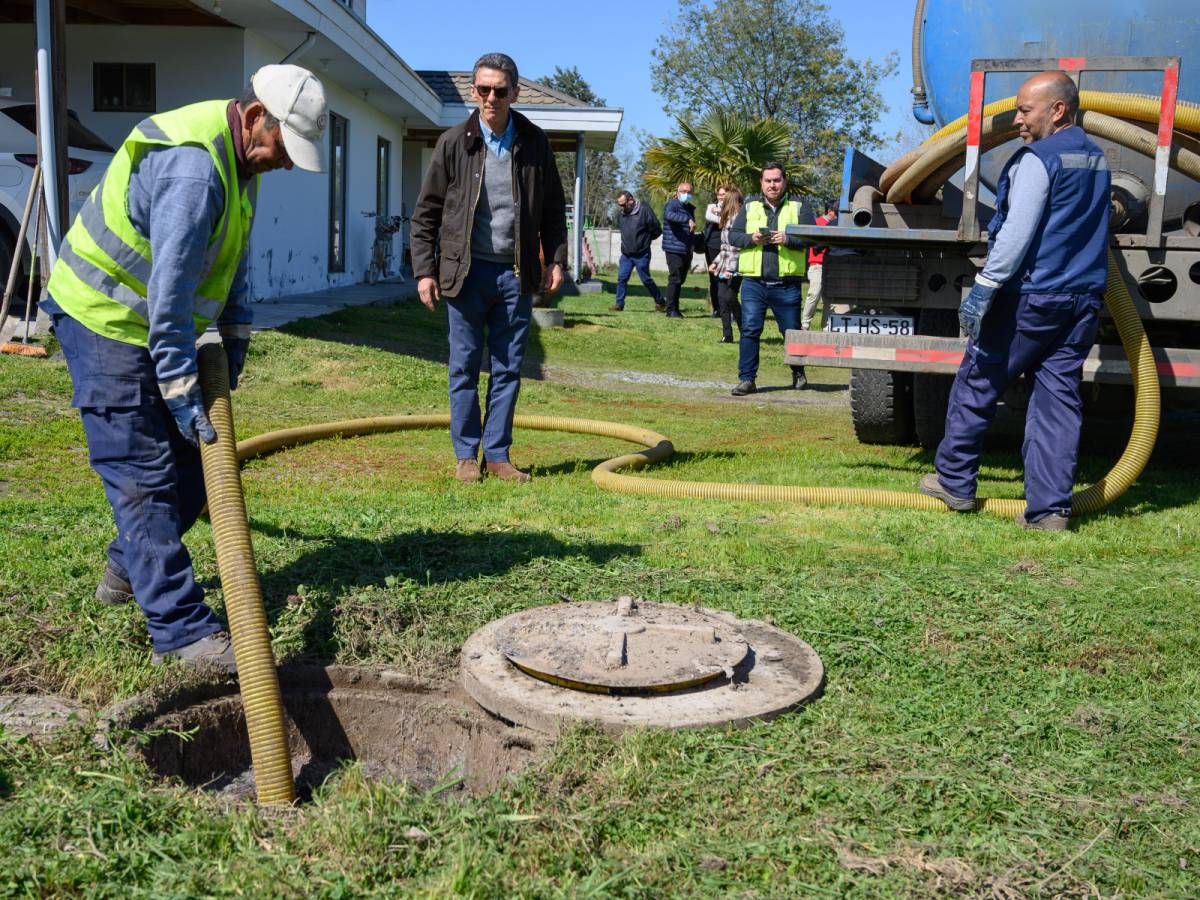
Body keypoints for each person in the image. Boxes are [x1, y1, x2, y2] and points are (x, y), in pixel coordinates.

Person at [42, 65, 328, 673]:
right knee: (141, 470)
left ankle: (128, 566)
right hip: (101, 316)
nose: (284, 164)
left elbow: (234, 254)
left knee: (198, 461)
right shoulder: (195, 170)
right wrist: (178, 387)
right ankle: (182, 632)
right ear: (256, 118)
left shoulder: (240, 160)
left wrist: (237, 335)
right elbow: (169, 297)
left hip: (150, 322)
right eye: (284, 148)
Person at [920, 71, 1111, 532]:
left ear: (1058, 110)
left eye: (1026, 110)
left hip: (1031, 297)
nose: (1018, 120)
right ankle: (1050, 511)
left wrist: (986, 285)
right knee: (1058, 402)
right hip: (1081, 300)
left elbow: (1017, 232)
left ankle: (955, 483)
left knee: (977, 383)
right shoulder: (1097, 159)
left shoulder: (1037, 160)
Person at [411, 52, 567, 485]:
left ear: (515, 92)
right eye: (483, 89)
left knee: (508, 367)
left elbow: (554, 211)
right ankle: (466, 455)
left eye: (500, 90)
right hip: (465, 273)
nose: (491, 97)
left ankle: (497, 455)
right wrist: (425, 271)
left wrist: (556, 259)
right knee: (463, 366)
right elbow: (426, 214)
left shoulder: (535, 144)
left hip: (516, 275)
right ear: (473, 91)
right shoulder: (453, 142)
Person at [727, 163, 816, 395]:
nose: (772, 185)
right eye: (768, 181)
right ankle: (747, 380)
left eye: (776, 180)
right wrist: (752, 238)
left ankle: (798, 373)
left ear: (784, 182)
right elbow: (733, 236)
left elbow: (811, 238)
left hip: (787, 284)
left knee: (791, 332)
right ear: (762, 183)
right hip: (754, 283)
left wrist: (788, 239)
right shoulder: (749, 205)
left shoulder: (800, 206)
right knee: (749, 330)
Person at [612, 190, 665, 312]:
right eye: (620, 205)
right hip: (626, 254)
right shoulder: (621, 214)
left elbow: (657, 229)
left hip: (642, 254)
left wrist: (645, 241)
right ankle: (619, 304)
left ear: (631, 200)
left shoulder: (644, 210)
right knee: (622, 278)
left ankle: (660, 301)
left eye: (623, 204)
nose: (622, 207)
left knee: (646, 279)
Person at [708, 187, 744, 344]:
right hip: (724, 263)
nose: (721, 201)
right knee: (722, 298)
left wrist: (731, 269)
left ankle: (745, 331)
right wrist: (715, 263)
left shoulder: (740, 220)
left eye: (725, 199)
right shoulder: (726, 218)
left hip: (735, 266)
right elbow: (725, 246)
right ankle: (727, 335)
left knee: (730, 297)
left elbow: (738, 248)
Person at [660, 181, 696, 319]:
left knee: (680, 279)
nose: (686, 194)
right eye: (684, 191)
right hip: (674, 247)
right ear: (677, 192)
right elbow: (669, 216)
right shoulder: (673, 204)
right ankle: (671, 310)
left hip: (685, 248)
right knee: (675, 278)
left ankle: (674, 306)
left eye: (689, 192)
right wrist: (687, 220)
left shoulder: (688, 207)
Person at [802, 201, 837, 330]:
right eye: (836, 213)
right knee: (814, 293)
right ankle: (805, 323)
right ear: (830, 212)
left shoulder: (836, 225)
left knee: (830, 298)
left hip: (831, 265)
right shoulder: (817, 223)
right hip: (817, 264)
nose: (838, 216)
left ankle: (826, 326)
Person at [702, 187, 727, 317]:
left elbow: (732, 220)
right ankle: (717, 308)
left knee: (727, 277)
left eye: (724, 194)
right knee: (714, 278)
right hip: (712, 245)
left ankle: (727, 308)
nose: (721, 197)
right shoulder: (711, 206)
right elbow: (710, 216)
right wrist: (725, 215)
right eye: (719, 194)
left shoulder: (735, 207)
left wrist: (720, 213)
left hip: (727, 246)